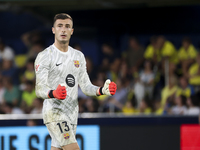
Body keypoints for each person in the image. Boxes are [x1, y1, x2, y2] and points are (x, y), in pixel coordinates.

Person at [34, 13, 117, 150]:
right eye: (59, 26)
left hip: (72, 114)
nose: (63, 29)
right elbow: (39, 89)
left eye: (67, 26)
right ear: (53, 29)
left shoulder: (78, 56)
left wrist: (102, 90)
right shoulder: (45, 56)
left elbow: (85, 87)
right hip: (54, 112)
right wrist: (53, 93)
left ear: (72, 31)